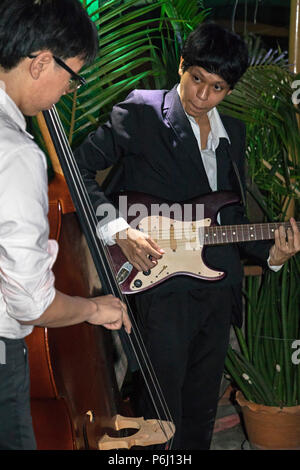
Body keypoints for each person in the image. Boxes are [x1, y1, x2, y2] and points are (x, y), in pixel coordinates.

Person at [74, 23, 300, 449]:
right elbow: (77, 169)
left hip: (217, 288)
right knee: (158, 416)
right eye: (196, 79)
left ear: (229, 90)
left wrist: (274, 253)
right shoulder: (141, 111)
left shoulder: (232, 129)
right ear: (181, 65)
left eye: (216, 87)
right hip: (161, 288)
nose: (202, 96)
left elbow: (229, 216)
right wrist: (118, 230)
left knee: (200, 414)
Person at [0, 0, 131, 451]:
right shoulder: (16, 152)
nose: (66, 93)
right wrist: (96, 309)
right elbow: (31, 305)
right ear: (40, 63)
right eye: (71, 77)